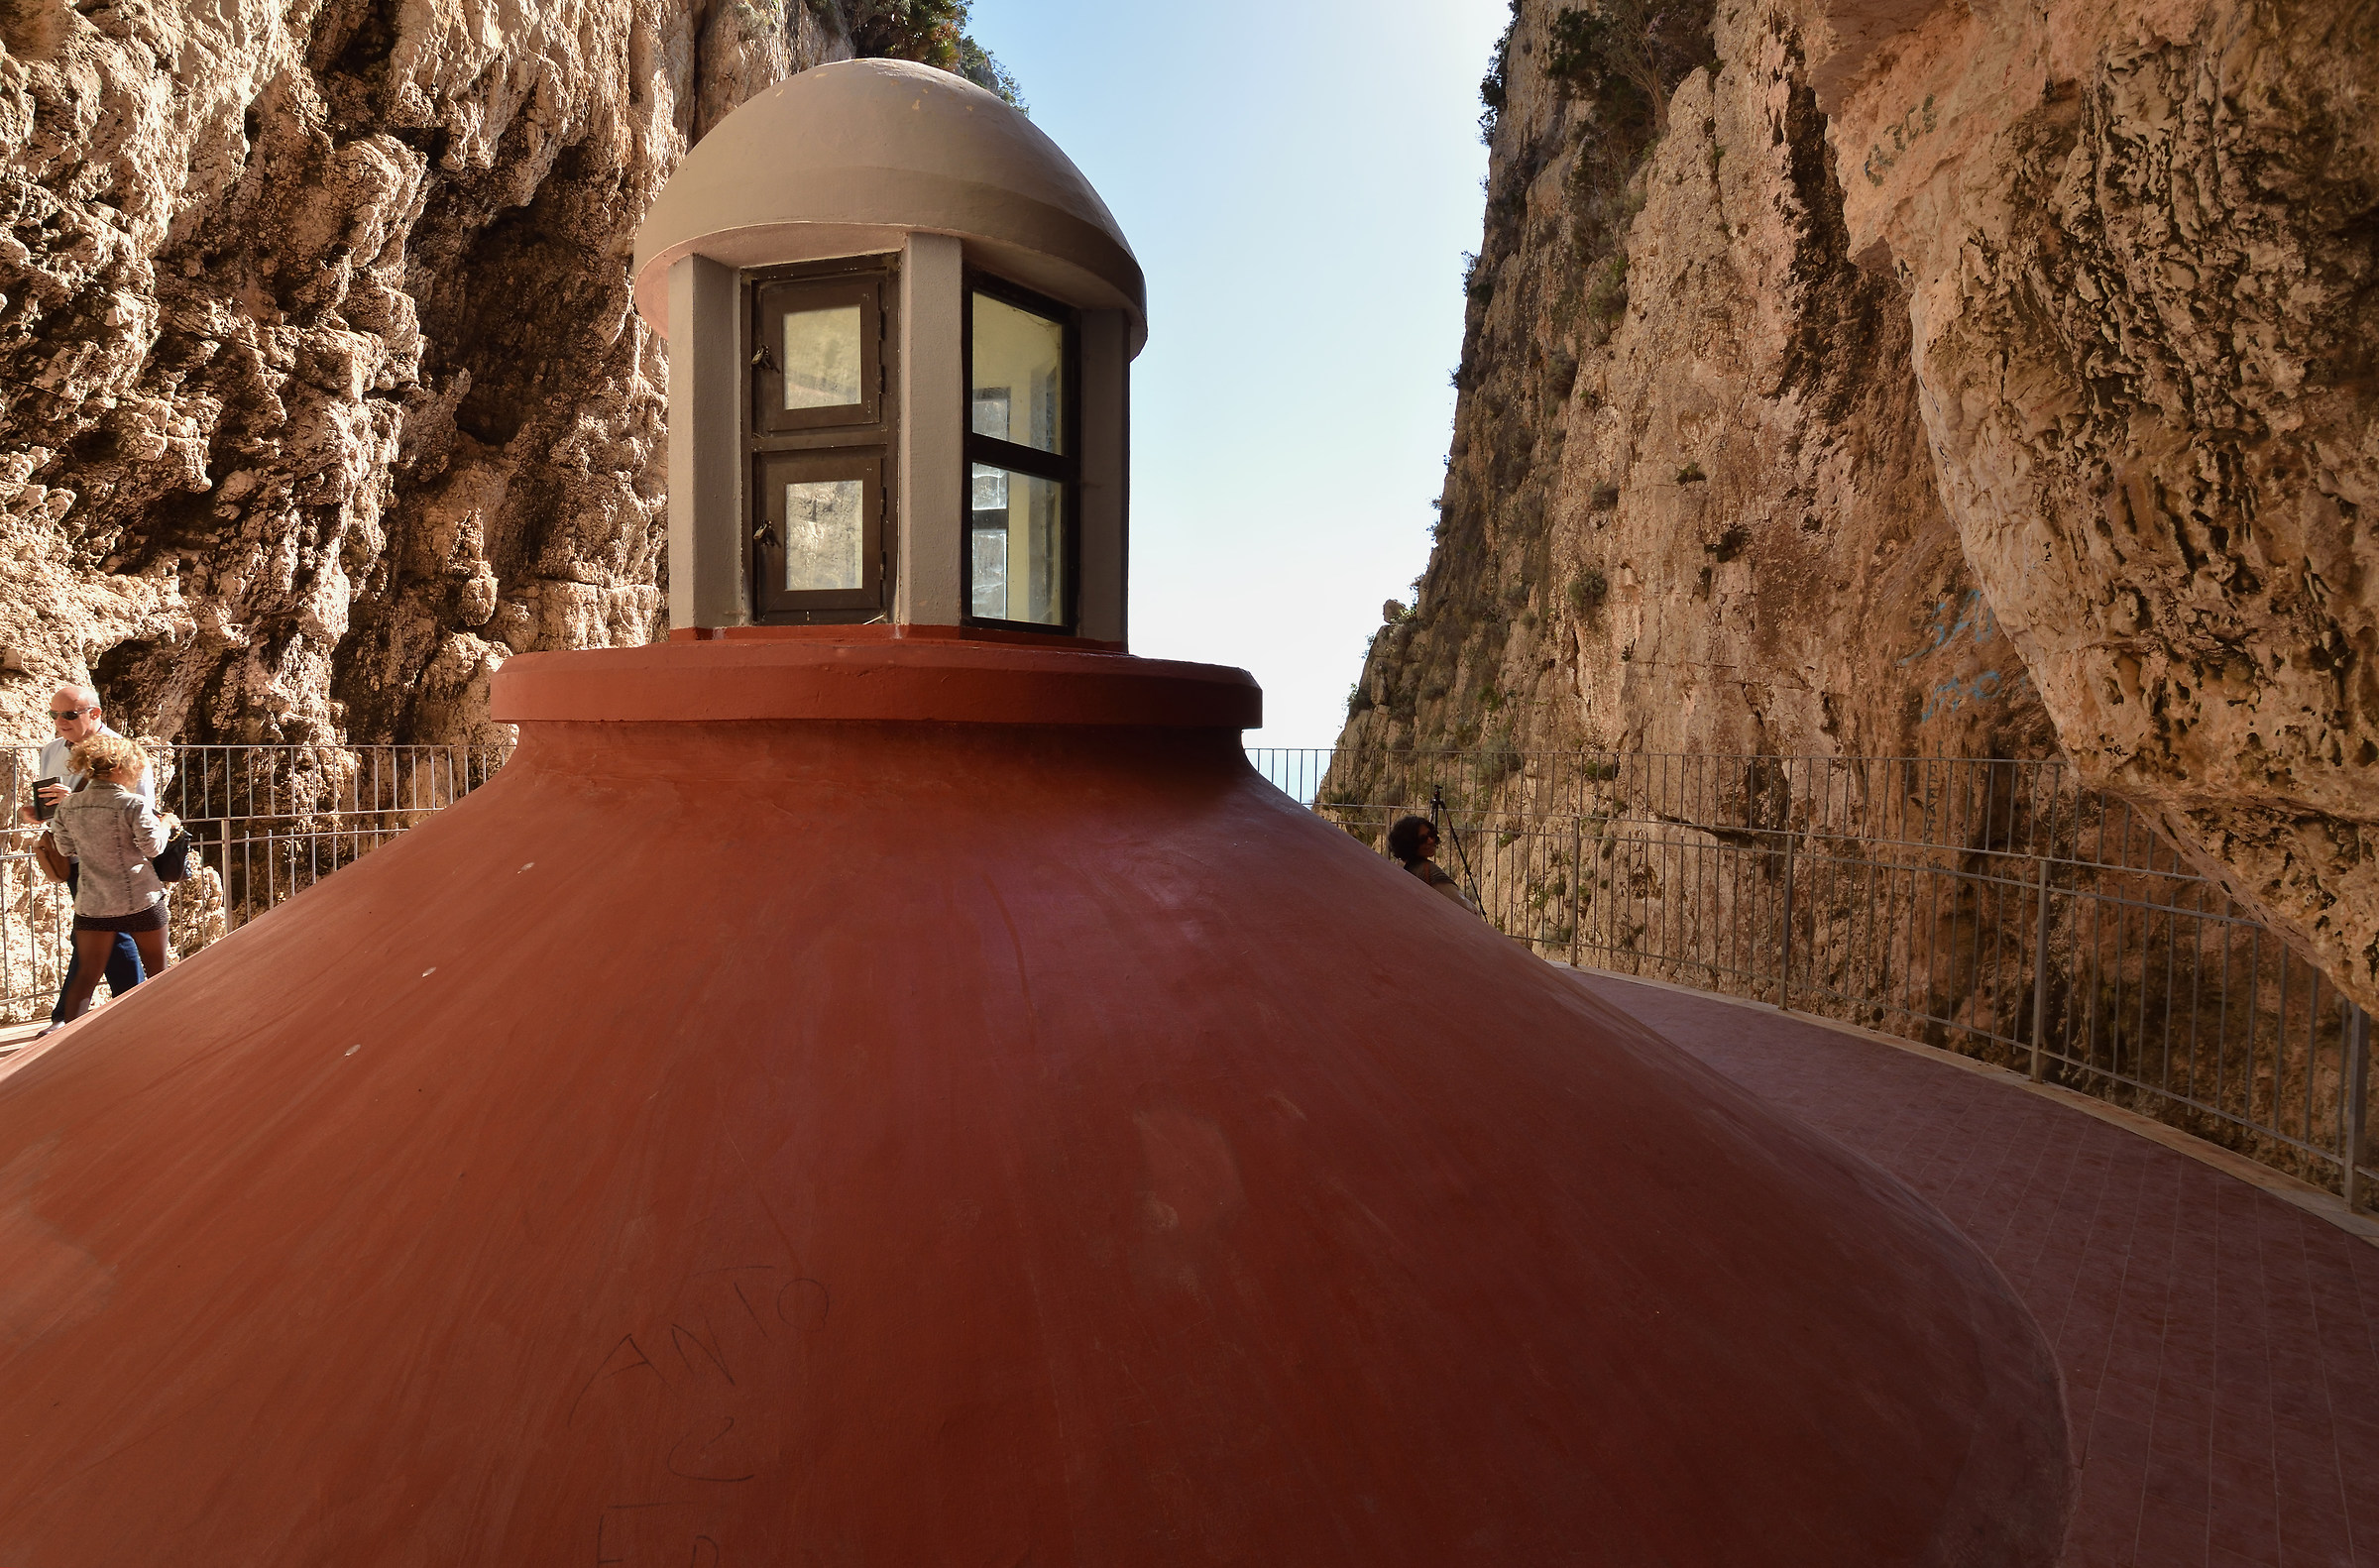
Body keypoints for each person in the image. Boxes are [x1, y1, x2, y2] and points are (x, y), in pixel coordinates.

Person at [20, 683, 150, 1025]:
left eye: (69, 714)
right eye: (54, 714)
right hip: (74, 855)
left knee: (107, 935)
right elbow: (55, 808)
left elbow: (140, 806)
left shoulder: (123, 750)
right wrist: (38, 811)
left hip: (115, 858)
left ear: (95, 714)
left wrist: (74, 800)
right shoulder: (51, 750)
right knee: (92, 934)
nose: (60, 721)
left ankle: (130, 1011)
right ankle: (80, 1015)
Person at [45, 732, 170, 1024]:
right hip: (140, 899)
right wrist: (164, 824)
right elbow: (152, 847)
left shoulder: (68, 805)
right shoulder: (134, 805)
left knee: (86, 976)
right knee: (159, 972)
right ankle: (160, 1031)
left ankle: (65, 1045)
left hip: (92, 902)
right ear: (118, 768)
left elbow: (65, 848)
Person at [1387, 814, 1480, 915]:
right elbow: (1465, 907)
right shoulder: (1429, 870)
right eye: (1423, 839)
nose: (1430, 840)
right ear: (1410, 845)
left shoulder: (1406, 870)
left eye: (1431, 835)